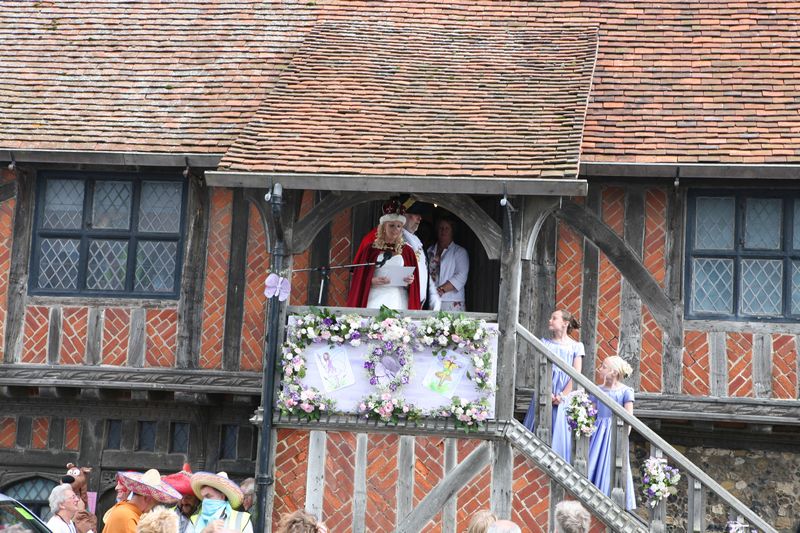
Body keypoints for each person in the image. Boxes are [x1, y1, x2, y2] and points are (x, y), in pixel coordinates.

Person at [523, 310, 584, 463]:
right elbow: (539, 370)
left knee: (560, 436)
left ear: (565, 323)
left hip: (564, 397)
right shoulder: (544, 343)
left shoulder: (576, 347)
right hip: (545, 393)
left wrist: (562, 396)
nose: (550, 320)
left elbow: (576, 375)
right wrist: (547, 391)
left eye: (554, 318)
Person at [346, 198, 420, 310]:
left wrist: (410, 281)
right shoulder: (370, 249)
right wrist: (371, 281)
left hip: (398, 298)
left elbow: (414, 284)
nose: (395, 229)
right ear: (384, 226)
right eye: (391, 225)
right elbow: (358, 277)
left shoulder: (407, 251)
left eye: (399, 226)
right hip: (375, 296)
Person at [587, 356, 636, 510]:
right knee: (595, 459)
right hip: (599, 432)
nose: (599, 369)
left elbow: (629, 419)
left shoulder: (625, 392)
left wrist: (623, 438)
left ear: (614, 372)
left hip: (616, 432)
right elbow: (592, 413)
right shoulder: (597, 390)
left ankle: (612, 498)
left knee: (614, 463)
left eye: (603, 367)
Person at [103, 470, 181, 533]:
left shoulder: (127, 511)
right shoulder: (127, 516)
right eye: (154, 504)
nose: (151, 509)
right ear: (147, 498)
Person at [426, 217, 469, 311]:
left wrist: (441, 290)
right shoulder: (429, 250)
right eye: (441, 228)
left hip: (452, 301)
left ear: (452, 231)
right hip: (432, 299)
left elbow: (461, 276)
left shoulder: (459, 252)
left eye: (447, 228)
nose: (443, 231)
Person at [401, 197, 435, 308]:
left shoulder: (416, 239)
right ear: (404, 215)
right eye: (416, 214)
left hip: (418, 301)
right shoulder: (397, 239)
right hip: (404, 299)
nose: (420, 218)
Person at [162, 467, 197, 533]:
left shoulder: (203, 517)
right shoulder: (167, 515)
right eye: (180, 497)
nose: (183, 501)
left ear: (196, 498)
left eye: (188, 497)